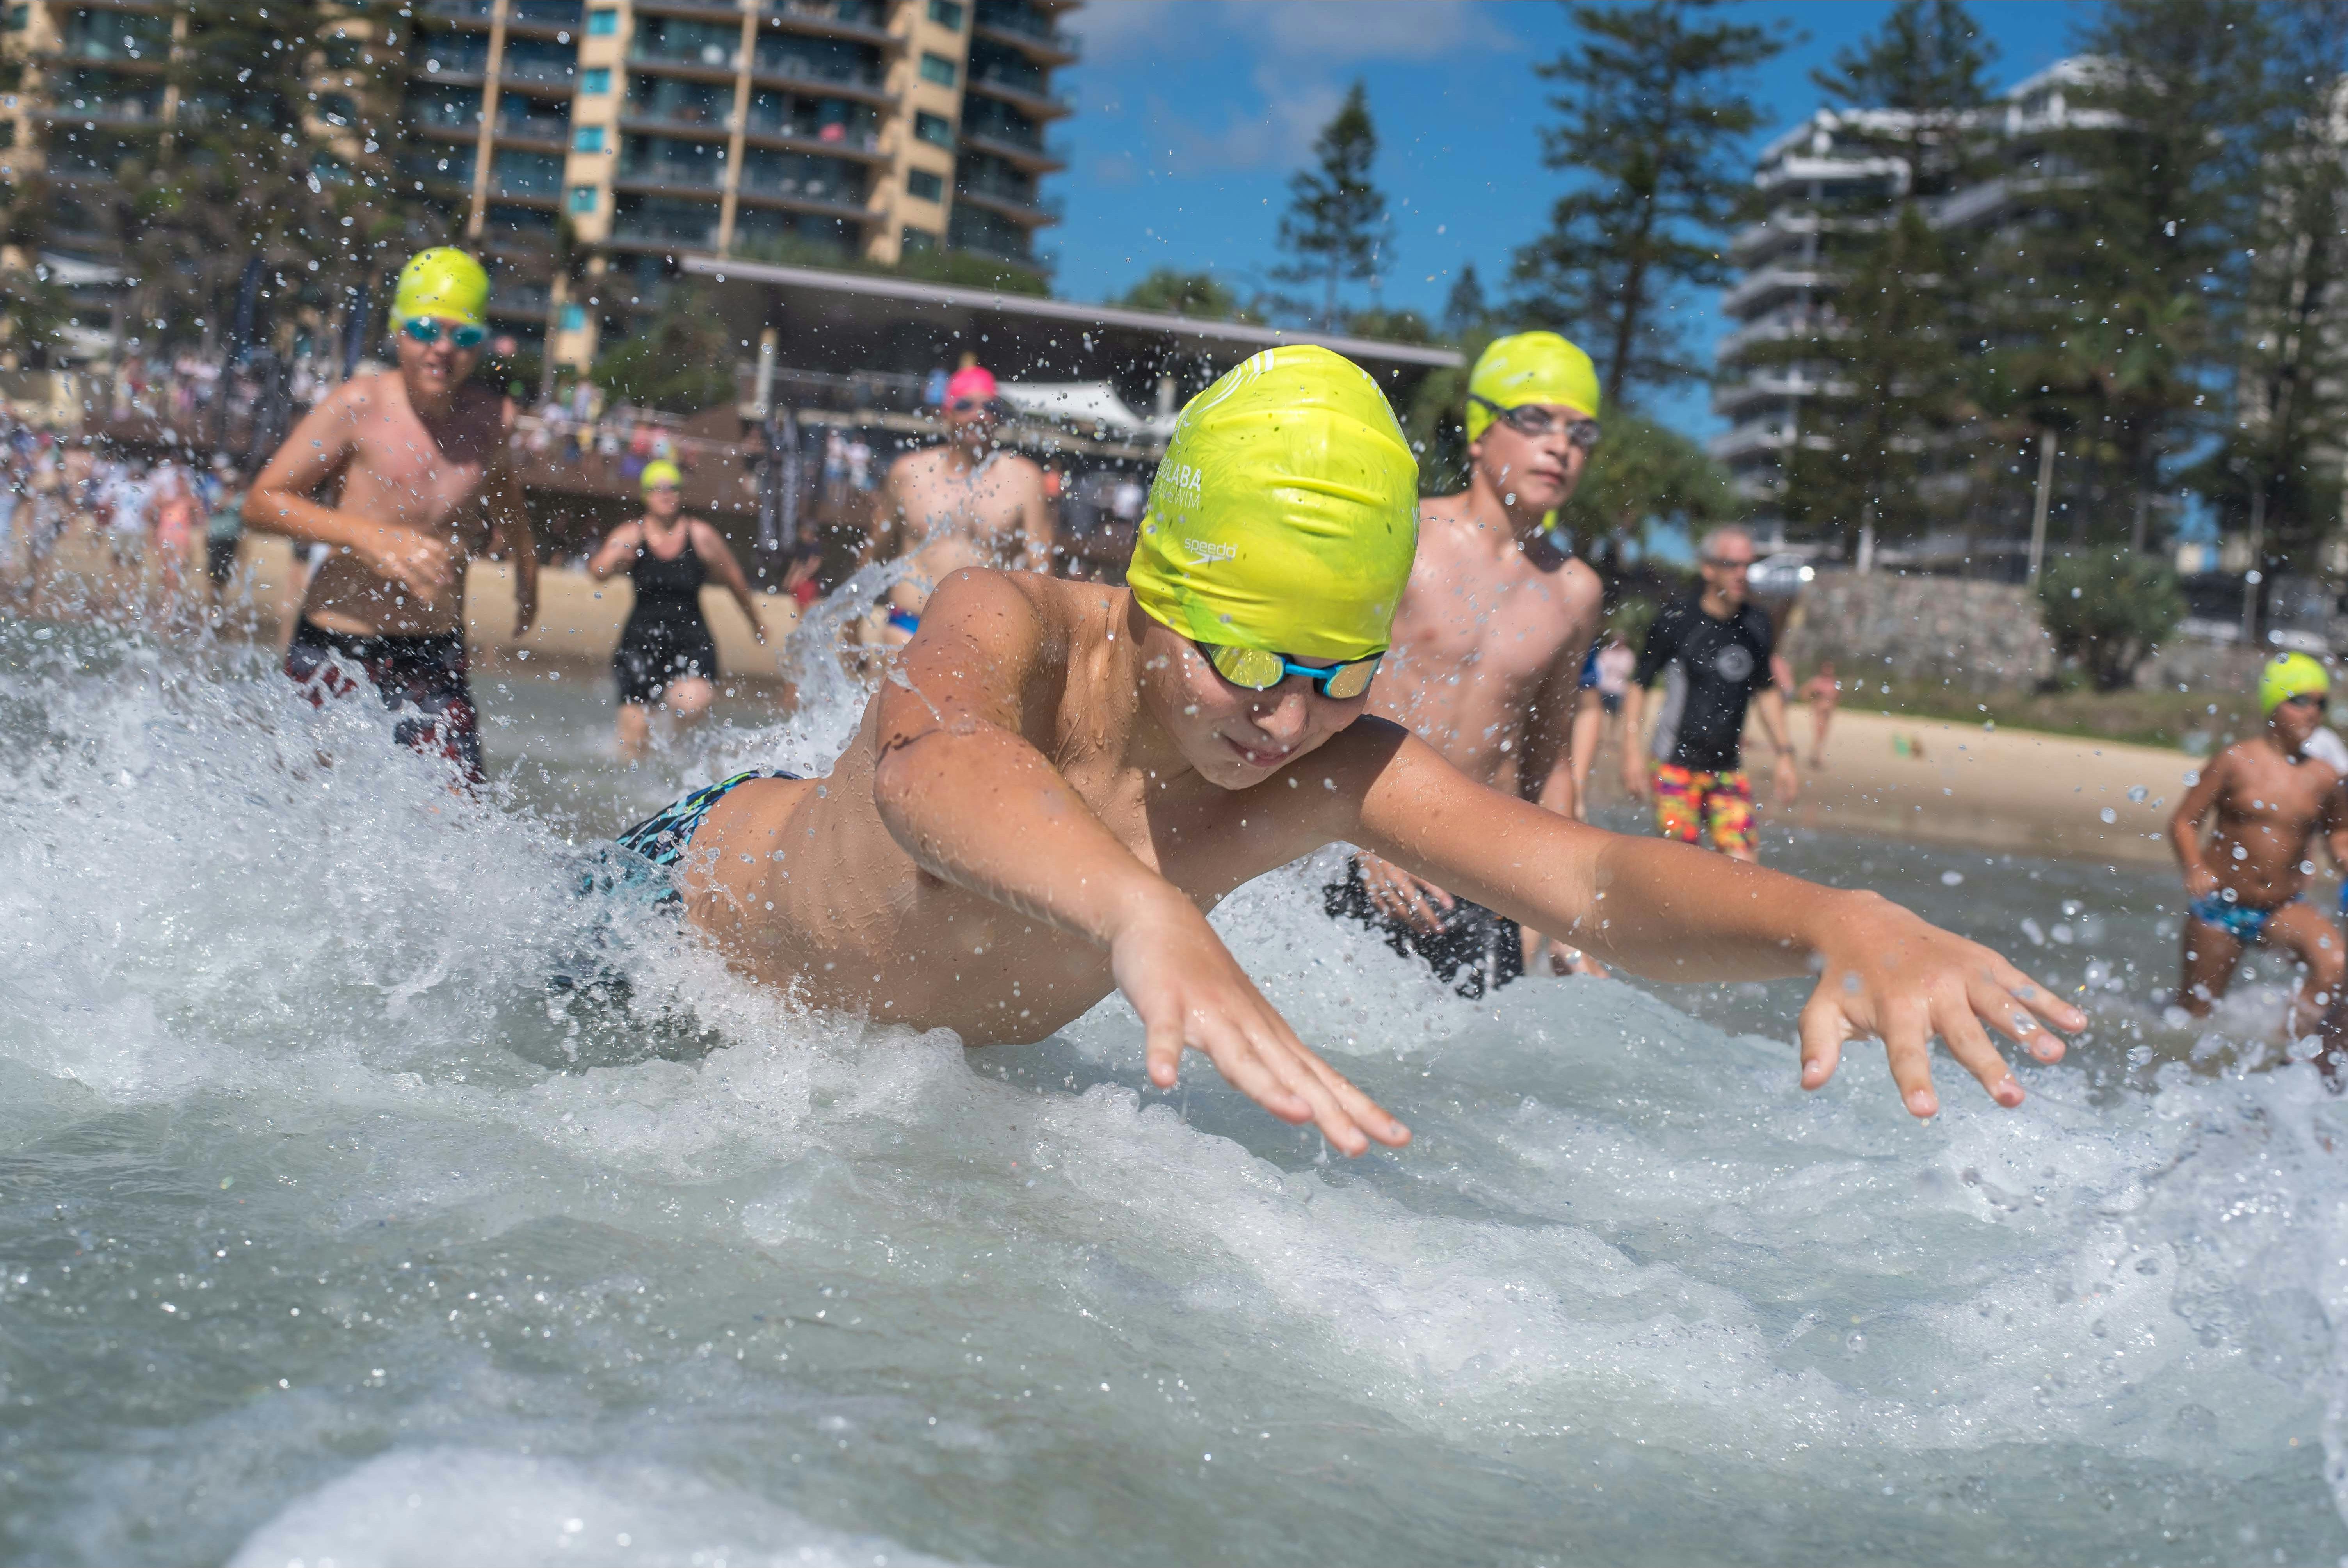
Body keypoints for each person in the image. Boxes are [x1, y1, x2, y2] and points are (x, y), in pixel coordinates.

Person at [608, 346, 2081, 1156]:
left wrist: (1831, 919)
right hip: (665, 924)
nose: (1280, 718)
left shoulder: (1324, 762)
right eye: (1245, 661)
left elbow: (1587, 883)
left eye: (1333, 674)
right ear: (1154, 596)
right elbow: (925, 771)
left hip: (854, 1073)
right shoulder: (1012, 623)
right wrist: (1141, 910)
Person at [1323, 331, 1604, 996]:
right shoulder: (1406, 535)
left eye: (1581, 432)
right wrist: (1353, 833)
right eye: (1534, 419)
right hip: (1359, 851)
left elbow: (1549, 762)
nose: (1559, 445)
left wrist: (1568, 919)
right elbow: (1314, 688)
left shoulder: (1575, 591)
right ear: (1480, 432)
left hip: (1482, 880)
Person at [247, 247, 537, 786]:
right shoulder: (358, 406)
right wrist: (372, 538)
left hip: (434, 655)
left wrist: (527, 562)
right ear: (399, 331)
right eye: (426, 330)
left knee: (461, 818)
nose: (442, 348)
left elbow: (502, 489)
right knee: (308, 807)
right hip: (338, 646)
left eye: (463, 336)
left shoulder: (492, 419)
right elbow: (263, 502)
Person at [2167, 653, 2348, 1069]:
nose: (2313, 712)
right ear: (2273, 704)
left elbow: (2339, 833)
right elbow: (2183, 821)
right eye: (2300, 700)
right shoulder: (2235, 761)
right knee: (2193, 1017)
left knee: (2334, 964)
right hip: (2220, 907)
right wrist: (2195, 867)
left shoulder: (2325, 778)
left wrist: (2342, 856)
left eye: (2321, 703)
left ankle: (2288, 1053)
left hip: (2282, 908)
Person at [1619, 527, 1799, 862]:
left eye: (1748, 565)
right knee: (1683, 867)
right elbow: (1638, 685)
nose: (1742, 574)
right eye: (1732, 565)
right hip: (1674, 765)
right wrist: (1631, 752)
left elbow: (1766, 690)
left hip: (1727, 770)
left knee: (1745, 866)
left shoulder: (1756, 625)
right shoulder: (1676, 620)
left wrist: (1785, 754)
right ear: (1708, 568)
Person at [586, 458, 771, 760]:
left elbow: (735, 580)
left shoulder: (700, 536)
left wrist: (756, 623)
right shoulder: (632, 534)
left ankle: (675, 755)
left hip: (691, 639)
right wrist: (616, 560)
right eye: (658, 488)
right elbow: (598, 570)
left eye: (673, 488)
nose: (667, 494)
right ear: (646, 494)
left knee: (691, 704)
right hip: (641, 642)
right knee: (634, 740)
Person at [864, 363, 1051, 645]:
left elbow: (1043, 574)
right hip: (909, 625)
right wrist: (851, 624)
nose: (979, 415)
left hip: (985, 633)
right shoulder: (909, 474)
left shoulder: (1025, 480)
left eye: (990, 407)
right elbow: (875, 551)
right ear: (946, 413)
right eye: (965, 405)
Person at [1798, 659, 1841, 768]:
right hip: (1819, 711)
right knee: (1819, 733)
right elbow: (1805, 691)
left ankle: (1817, 755)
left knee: (1823, 734)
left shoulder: (1834, 682)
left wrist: (1833, 704)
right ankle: (1816, 756)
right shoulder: (1818, 681)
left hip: (1828, 712)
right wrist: (1813, 700)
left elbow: (1838, 696)